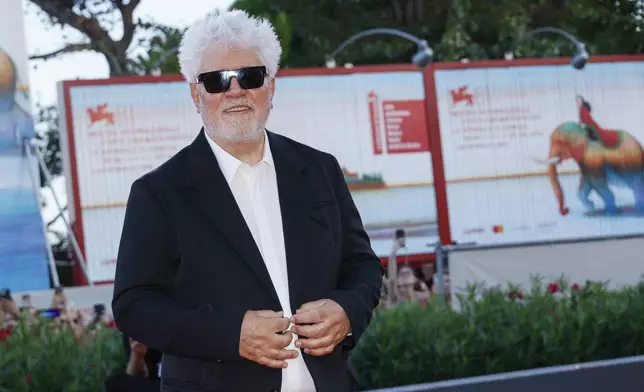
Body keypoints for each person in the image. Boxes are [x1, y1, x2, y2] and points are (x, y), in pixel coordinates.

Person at [111, 9, 384, 392]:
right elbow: (133, 306)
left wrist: (347, 312)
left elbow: (363, 266)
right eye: (217, 81)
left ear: (270, 87)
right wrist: (230, 334)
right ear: (196, 93)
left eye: (250, 76)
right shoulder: (158, 193)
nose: (235, 90)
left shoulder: (319, 170)